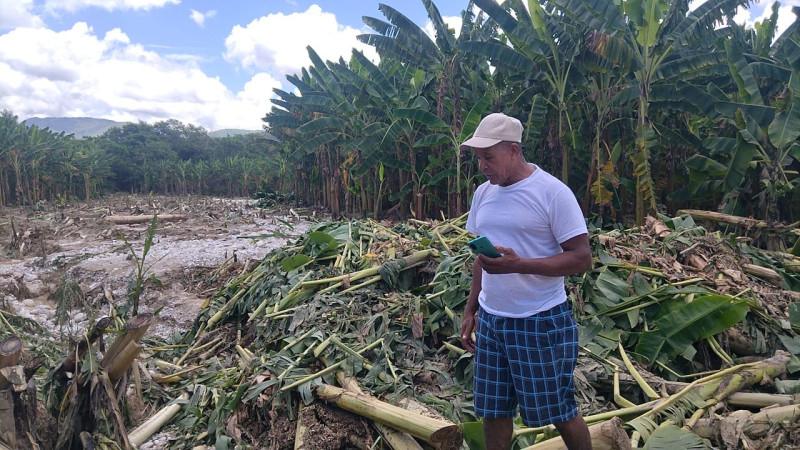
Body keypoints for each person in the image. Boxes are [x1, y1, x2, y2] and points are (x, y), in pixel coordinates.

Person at [459, 112, 593, 450]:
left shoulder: (551, 193)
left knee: (559, 408)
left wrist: (521, 266)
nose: (482, 166)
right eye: (478, 158)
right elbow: (483, 258)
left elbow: (581, 257)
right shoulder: (483, 195)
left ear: (514, 150)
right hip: (492, 321)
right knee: (493, 410)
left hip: (541, 320)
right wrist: (471, 308)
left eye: (489, 157)